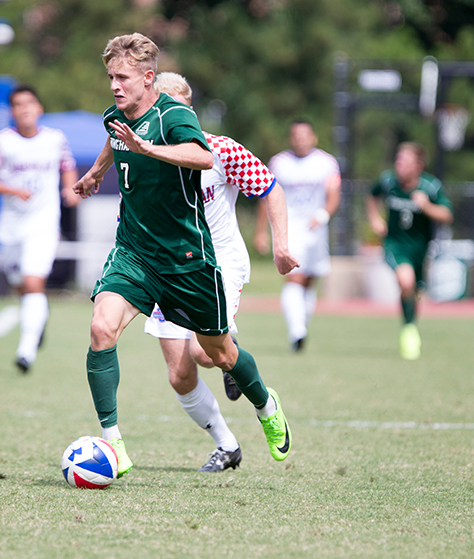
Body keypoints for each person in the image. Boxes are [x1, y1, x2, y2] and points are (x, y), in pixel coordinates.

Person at [73, 33, 298, 478]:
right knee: (102, 328)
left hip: (190, 261)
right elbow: (113, 138)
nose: (115, 85)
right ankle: (114, 444)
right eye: (111, 77)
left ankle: (266, 405)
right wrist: (95, 173)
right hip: (136, 253)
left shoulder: (176, 118)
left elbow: (200, 155)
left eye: (122, 77)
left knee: (216, 351)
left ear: (149, 78)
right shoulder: (115, 115)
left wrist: (148, 149)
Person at [143, 72, 295, 472]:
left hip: (219, 264)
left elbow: (270, 188)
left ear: (188, 110)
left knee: (203, 351)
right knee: (179, 374)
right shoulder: (145, 155)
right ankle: (227, 446)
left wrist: (280, 245)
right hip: (170, 269)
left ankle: (265, 405)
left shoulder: (221, 150)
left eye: (173, 107)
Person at [0, 85, 80, 373]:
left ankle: (26, 351)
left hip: (43, 224)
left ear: (39, 109)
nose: (24, 109)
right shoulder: (0, 142)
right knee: (21, 286)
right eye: (18, 105)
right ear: (12, 111)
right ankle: (38, 321)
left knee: (34, 283)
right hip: (11, 227)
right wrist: (13, 189)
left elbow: (67, 164)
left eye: (29, 103)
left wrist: (69, 189)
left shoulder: (55, 139)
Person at [256, 120, 341, 352]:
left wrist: (323, 215)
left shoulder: (326, 162)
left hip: (315, 228)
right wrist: (261, 231)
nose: (300, 139)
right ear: (290, 138)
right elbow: (266, 196)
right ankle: (297, 332)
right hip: (289, 225)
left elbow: (334, 195)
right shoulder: (279, 163)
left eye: (305, 135)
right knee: (294, 277)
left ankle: (300, 326)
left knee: (310, 279)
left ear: (314, 137)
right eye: (296, 135)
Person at [365, 142, 453, 360]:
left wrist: (427, 207)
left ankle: (409, 326)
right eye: (398, 160)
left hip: (419, 248)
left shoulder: (430, 187)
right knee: (406, 281)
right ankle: (409, 330)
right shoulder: (388, 181)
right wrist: (375, 219)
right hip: (394, 245)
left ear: (418, 166)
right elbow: (371, 196)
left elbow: (447, 215)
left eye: (404, 161)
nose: (399, 165)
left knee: (413, 290)